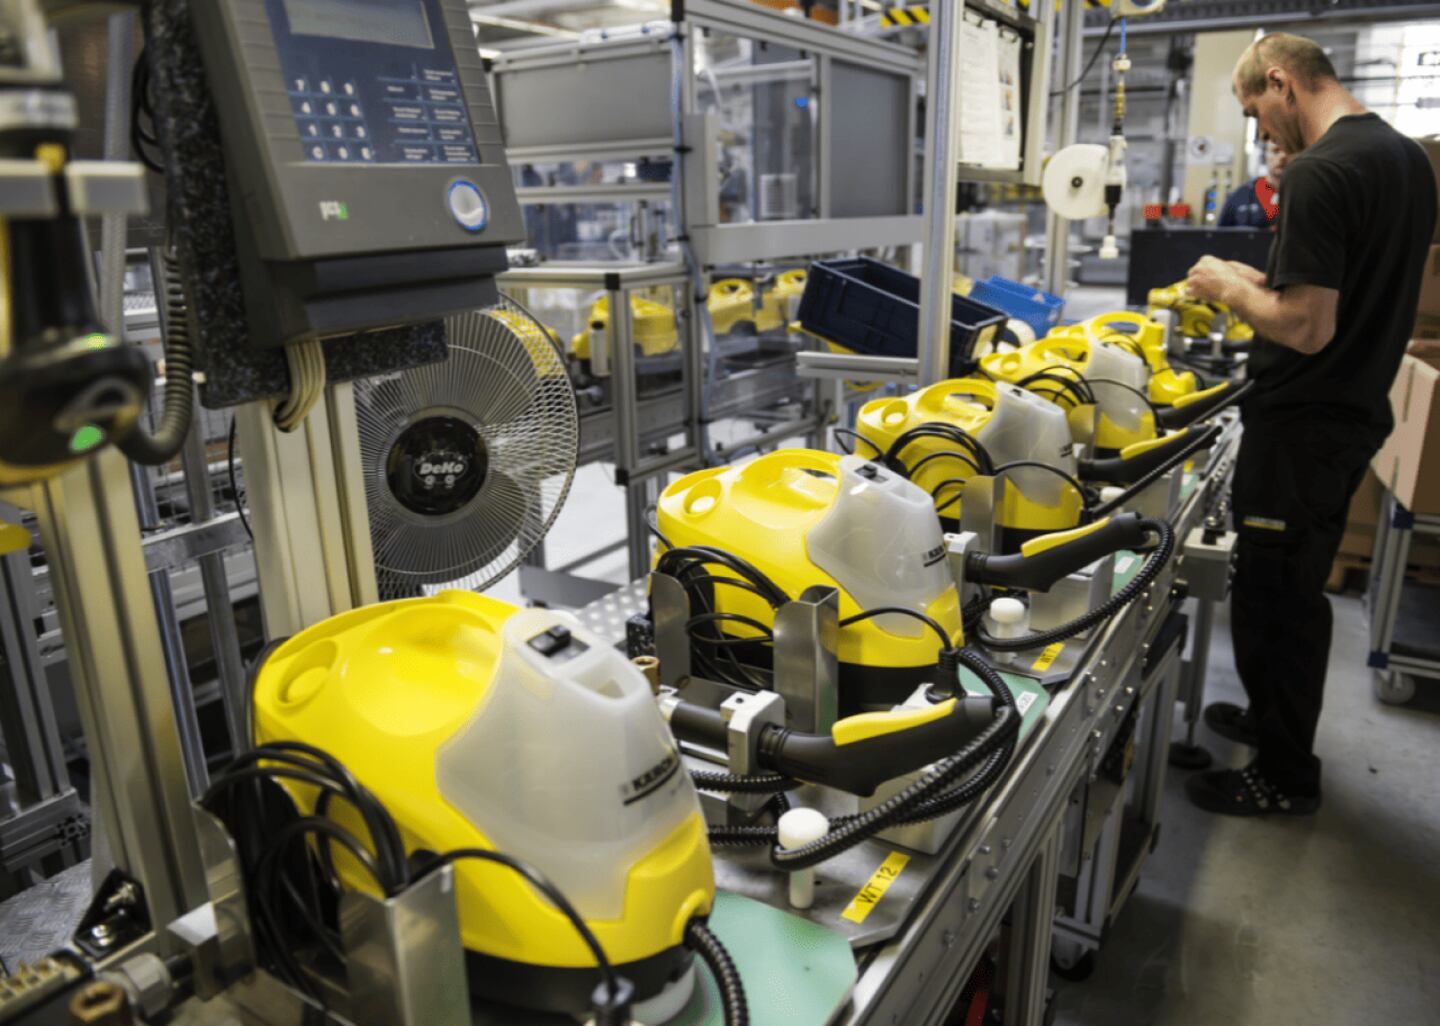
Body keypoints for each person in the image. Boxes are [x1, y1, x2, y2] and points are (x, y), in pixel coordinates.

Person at [1183, 33, 1436, 816]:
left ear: (1281, 82)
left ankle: (1283, 776)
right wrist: (1266, 280)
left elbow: (1306, 326)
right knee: (1289, 586)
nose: (1260, 130)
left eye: (1255, 110)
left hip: (1303, 424)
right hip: (1350, 412)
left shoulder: (1320, 171)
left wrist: (1228, 286)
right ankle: (1270, 720)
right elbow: (1347, 289)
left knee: (1277, 600)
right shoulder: (1403, 159)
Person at [1217, 145, 1289, 228]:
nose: (1283, 156)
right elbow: (1220, 234)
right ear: (1264, 156)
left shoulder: (1299, 194)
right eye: (1275, 151)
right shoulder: (1239, 197)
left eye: (1289, 151)